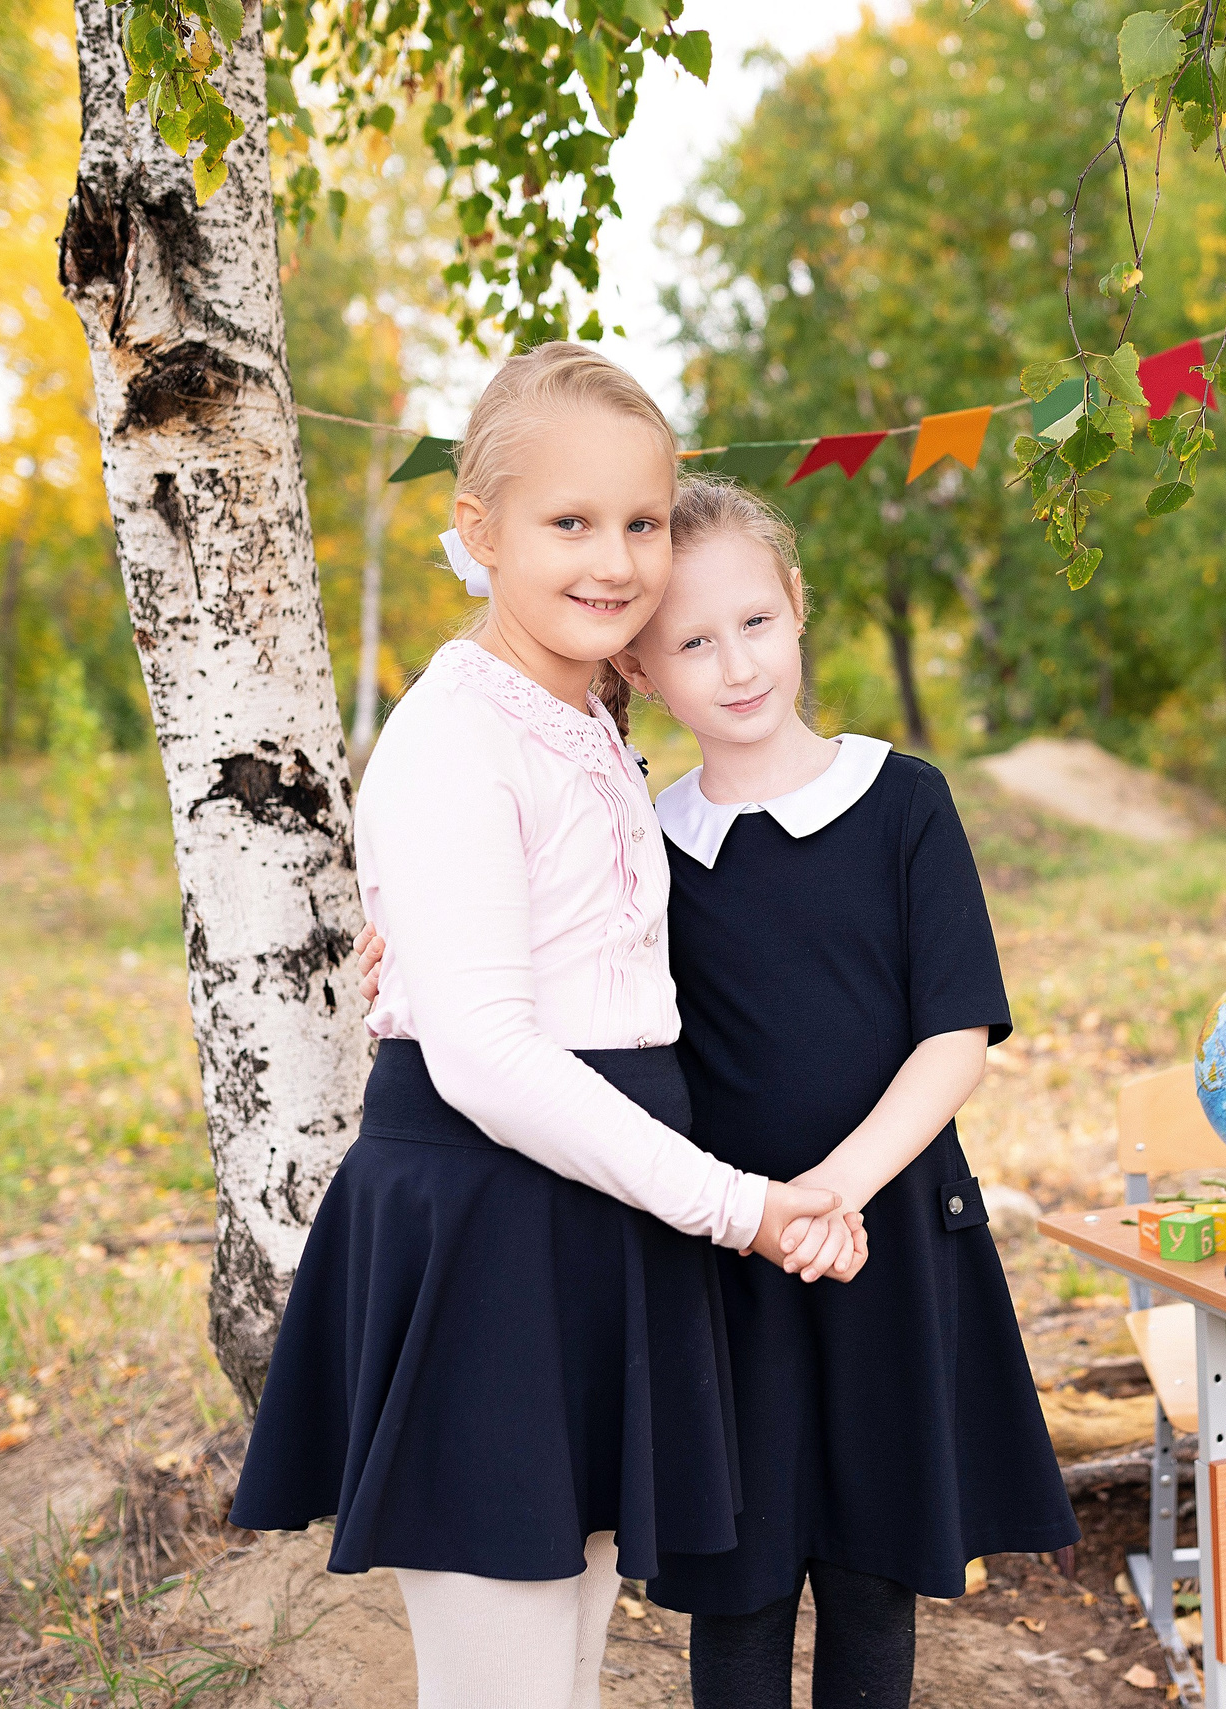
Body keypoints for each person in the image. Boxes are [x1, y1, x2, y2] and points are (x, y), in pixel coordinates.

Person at [365, 475, 1075, 1706]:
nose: (734, 663)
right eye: (690, 642)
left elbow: (955, 1035)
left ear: (798, 609)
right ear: (639, 671)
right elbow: (545, 944)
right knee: (736, 1583)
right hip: (717, 1255)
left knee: (870, 1574)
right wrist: (402, 925)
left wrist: (831, 1194)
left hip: (879, 1236)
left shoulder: (902, 801)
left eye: (754, 621)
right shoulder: (651, 834)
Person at [228, 347, 859, 1709]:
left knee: (566, 1646)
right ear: (478, 532)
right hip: (491, 1223)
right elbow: (491, 1059)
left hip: (590, 1221)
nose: (616, 558)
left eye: (640, 521)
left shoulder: (582, 712)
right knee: (507, 1680)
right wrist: (736, 1204)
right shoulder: (459, 732)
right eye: (569, 522)